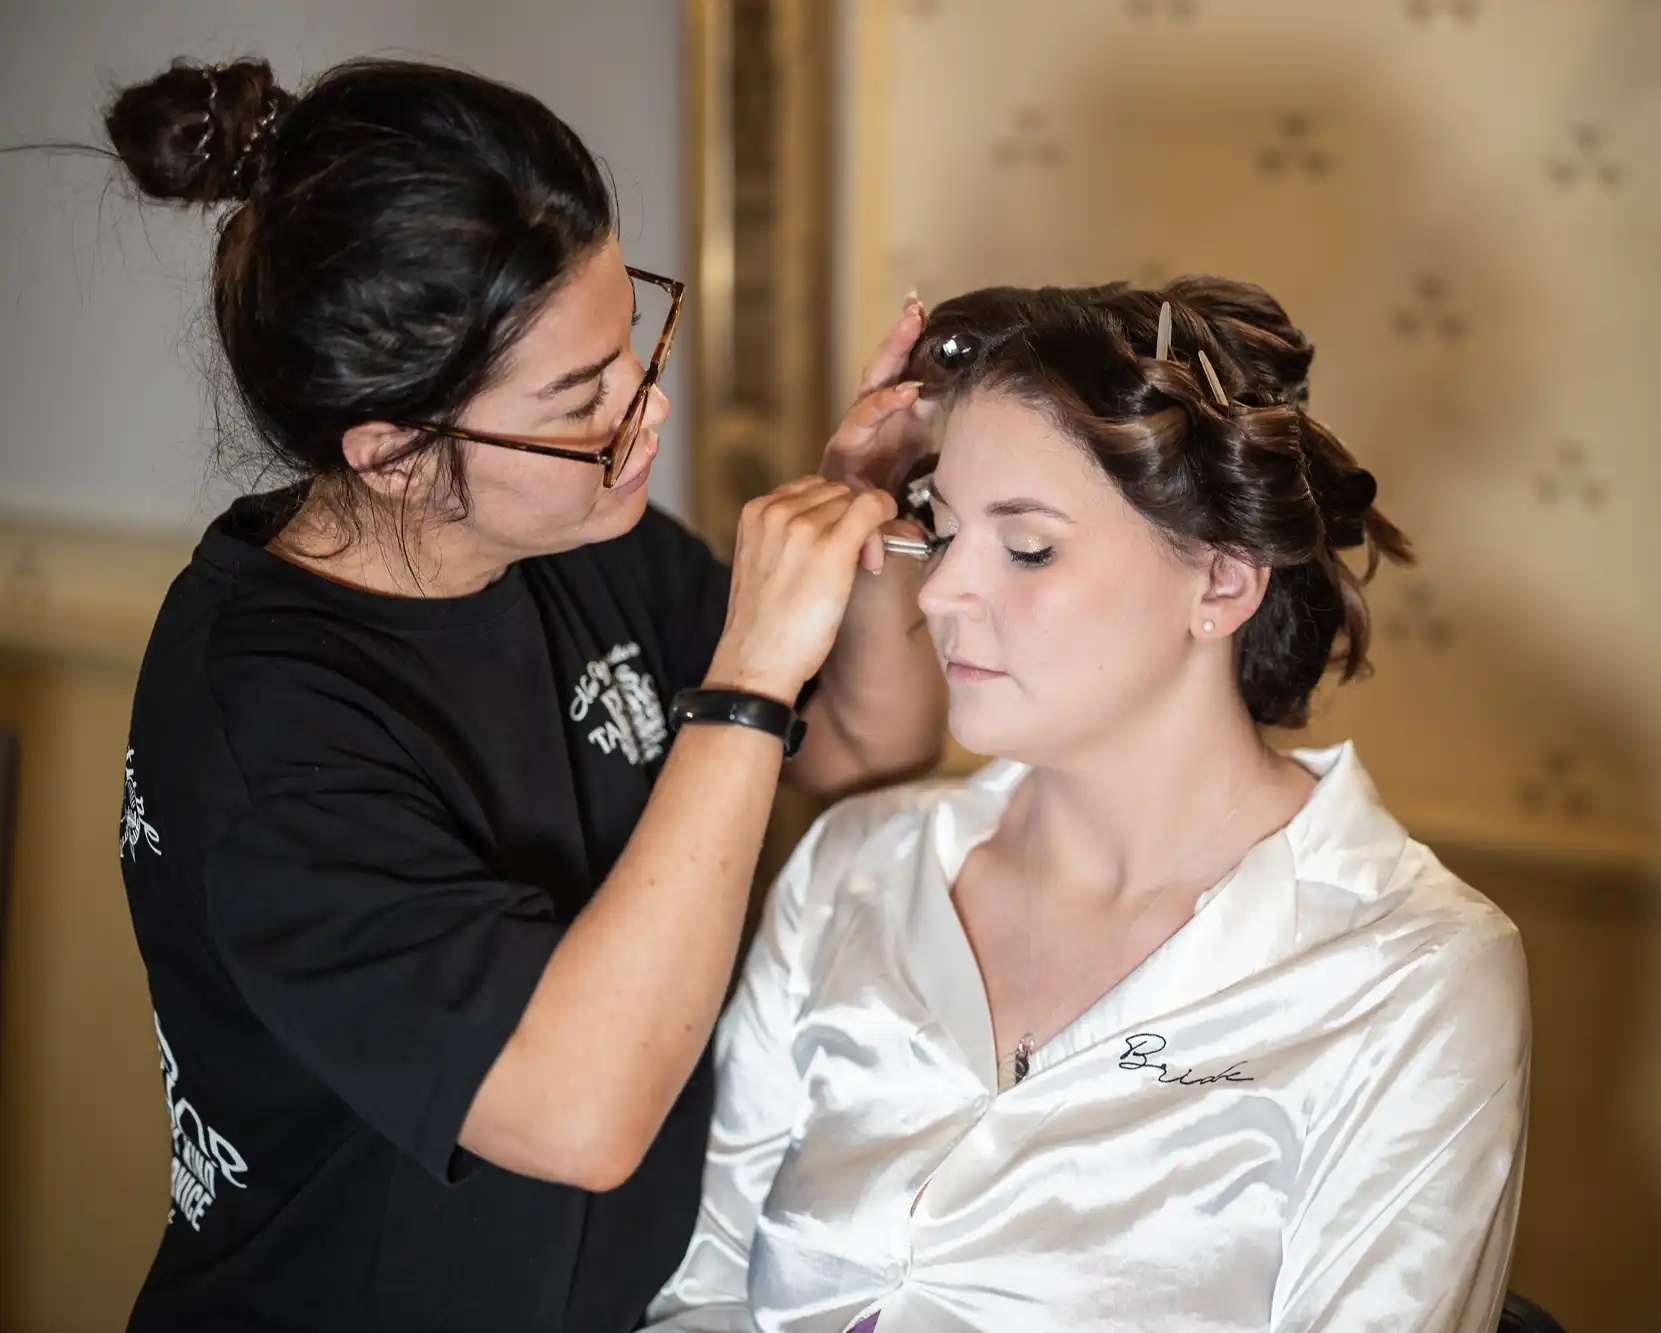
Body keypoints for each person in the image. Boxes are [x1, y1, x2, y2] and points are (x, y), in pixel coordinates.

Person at [101, 56, 944, 1333]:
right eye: (579, 399)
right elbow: (581, 1109)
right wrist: (750, 671)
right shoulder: (268, 731)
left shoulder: (571, 539)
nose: (643, 407)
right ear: (391, 455)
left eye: (626, 344)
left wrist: (866, 525)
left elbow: (863, 745)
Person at [644, 278, 1531, 1333]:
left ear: (1219, 581)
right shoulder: (856, 866)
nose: (936, 593)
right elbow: (699, 1291)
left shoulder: (1407, 974)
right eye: (940, 527)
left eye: (1026, 547)